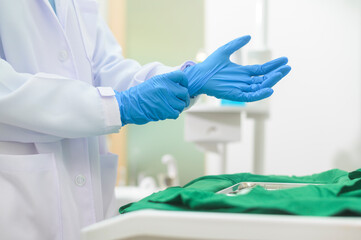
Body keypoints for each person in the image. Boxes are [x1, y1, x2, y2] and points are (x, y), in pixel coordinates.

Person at [0, 0, 291, 239]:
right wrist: (121, 106)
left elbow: (105, 69)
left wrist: (185, 79)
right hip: (19, 208)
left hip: (84, 206)